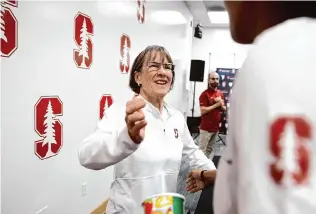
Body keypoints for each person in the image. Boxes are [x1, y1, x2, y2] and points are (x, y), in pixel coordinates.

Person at [187, 2, 316, 214]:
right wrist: (209, 176)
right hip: (207, 128)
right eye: (212, 79)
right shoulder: (267, 57)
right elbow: (251, 173)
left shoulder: (279, 54)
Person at [78, 45, 216, 214]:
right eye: (154, 65)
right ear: (138, 77)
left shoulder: (176, 117)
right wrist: (128, 138)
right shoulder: (121, 112)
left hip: (165, 209)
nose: (163, 72)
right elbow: (86, 156)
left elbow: (192, 152)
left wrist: (212, 173)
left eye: (167, 67)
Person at [199, 72, 226, 158]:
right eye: (213, 79)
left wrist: (220, 104)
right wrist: (216, 105)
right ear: (208, 80)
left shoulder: (220, 93)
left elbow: (224, 109)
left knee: (210, 150)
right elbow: (203, 111)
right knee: (201, 151)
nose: (215, 81)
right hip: (206, 129)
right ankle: (199, 170)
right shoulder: (204, 94)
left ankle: (206, 168)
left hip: (215, 128)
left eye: (217, 79)